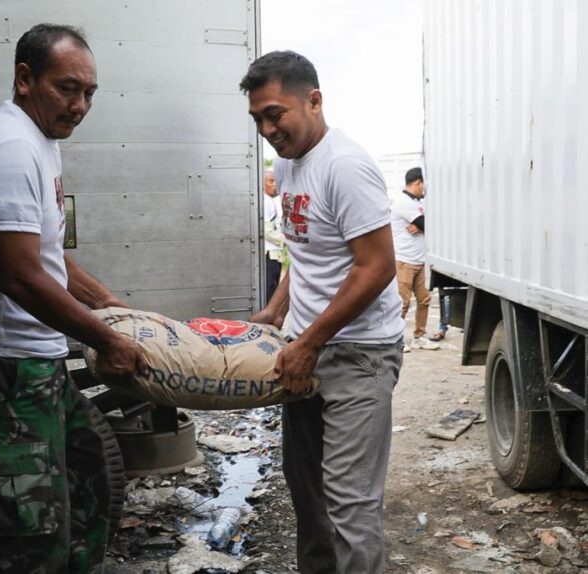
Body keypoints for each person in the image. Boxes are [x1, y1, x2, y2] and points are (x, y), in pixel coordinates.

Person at [0, 24, 146, 573]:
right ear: (25, 78)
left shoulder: (40, 143)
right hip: (8, 369)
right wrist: (106, 340)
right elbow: (20, 277)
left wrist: (111, 304)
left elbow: (50, 258)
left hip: (40, 361)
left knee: (90, 481)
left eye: (89, 93)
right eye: (67, 88)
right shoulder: (13, 150)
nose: (80, 105)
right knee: (32, 531)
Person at [243, 51, 404, 573]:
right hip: (306, 349)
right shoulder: (288, 165)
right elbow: (308, 251)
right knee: (307, 494)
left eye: (275, 114)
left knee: (349, 505)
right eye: (258, 119)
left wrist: (309, 341)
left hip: (359, 355)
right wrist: (275, 311)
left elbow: (376, 267)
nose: (267, 129)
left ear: (313, 100)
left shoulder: (345, 165)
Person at [391, 167, 439, 351]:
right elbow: (427, 224)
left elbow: (430, 223)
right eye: (424, 185)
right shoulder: (403, 203)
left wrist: (422, 226)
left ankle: (420, 336)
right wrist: (423, 225)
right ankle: (396, 340)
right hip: (404, 260)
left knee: (424, 299)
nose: (425, 189)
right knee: (402, 302)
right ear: (418, 182)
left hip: (419, 260)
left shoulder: (419, 203)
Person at [263, 168, 284, 300]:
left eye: (276, 181)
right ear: (263, 183)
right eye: (271, 181)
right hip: (269, 253)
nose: (275, 184)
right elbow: (265, 229)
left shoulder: (271, 200)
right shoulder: (265, 201)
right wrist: (284, 239)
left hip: (275, 253)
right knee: (269, 291)